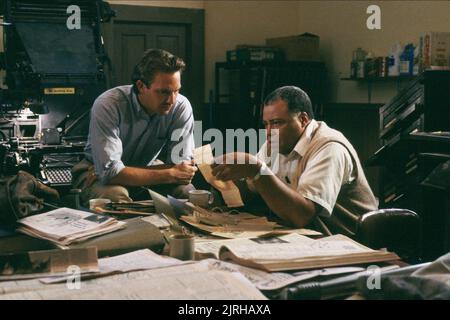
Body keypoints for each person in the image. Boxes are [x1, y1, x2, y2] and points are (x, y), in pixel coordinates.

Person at [212, 86, 378, 230]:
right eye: (266, 124)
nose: (269, 132)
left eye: (277, 122)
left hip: (349, 242)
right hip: (306, 237)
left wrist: (256, 169)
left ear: (303, 119)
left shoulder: (329, 147)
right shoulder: (276, 142)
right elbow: (250, 192)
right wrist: (227, 179)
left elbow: (302, 215)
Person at [72, 49, 197, 206]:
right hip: (92, 171)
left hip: (148, 168)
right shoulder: (109, 104)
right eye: (163, 92)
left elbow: (182, 170)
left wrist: (119, 172)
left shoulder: (181, 106)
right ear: (141, 86)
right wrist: (169, 173)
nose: (172, 100)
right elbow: (110, 172)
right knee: (115, 197)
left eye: (176, 91)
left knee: (187, 194)